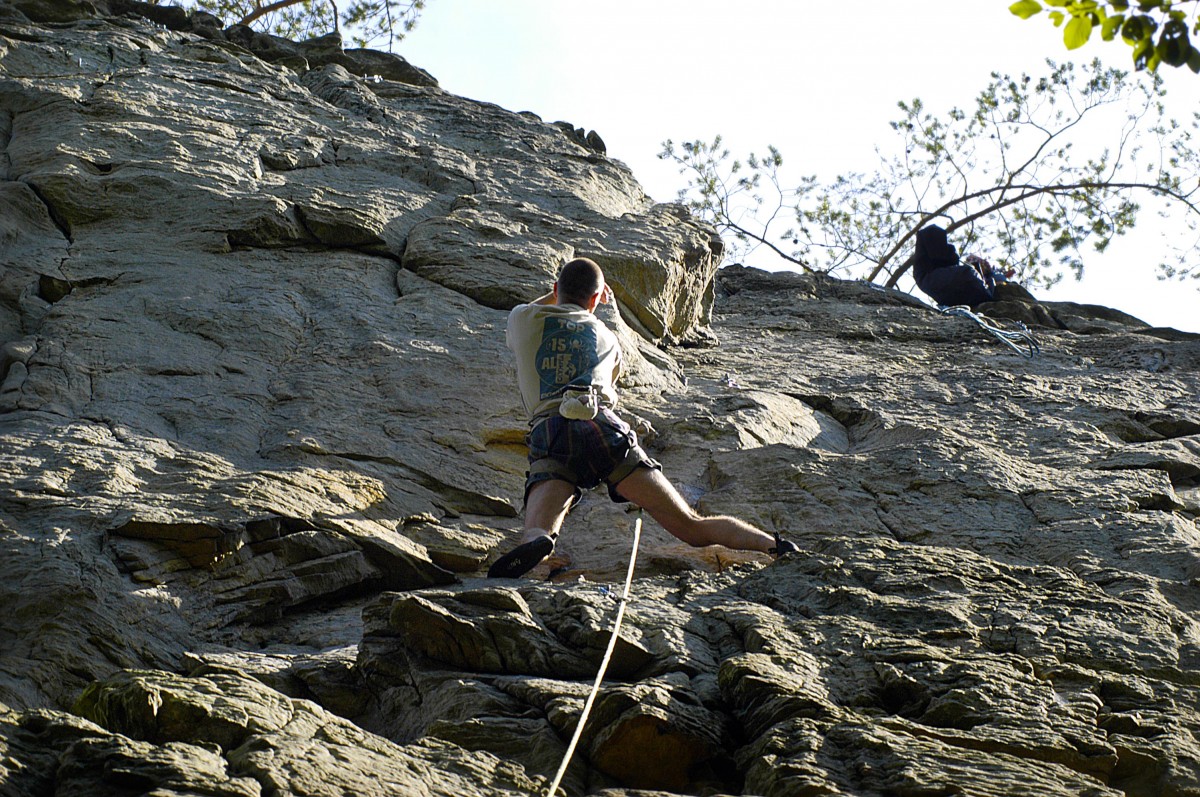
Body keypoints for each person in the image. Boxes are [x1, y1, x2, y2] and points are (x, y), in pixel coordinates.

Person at [488, 257, 798, 579]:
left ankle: (538, 541)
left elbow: (531, 306)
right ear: (595, 299)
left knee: (537, 528)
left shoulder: (523, 319)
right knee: (691, 525)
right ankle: (773, 545)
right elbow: (610, 379)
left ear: (555, 289)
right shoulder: (608, 338)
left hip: (551, 430)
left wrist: (557, 295)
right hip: (602, 427)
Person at [912, 224, 998, 308]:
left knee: (970, 276)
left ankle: (984, 293)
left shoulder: (929, 252)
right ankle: (986, 294)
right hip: (929, 278)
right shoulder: (929, 238)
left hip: (939, 284)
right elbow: (942, 256)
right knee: (967, 273)